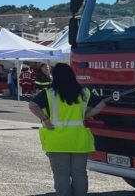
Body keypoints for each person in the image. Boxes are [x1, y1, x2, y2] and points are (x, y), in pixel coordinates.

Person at [29, 63, 106, 196]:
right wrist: (85, 115)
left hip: (57, 140)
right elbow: (101, 105)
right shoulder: (84, 92)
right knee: (80, 174)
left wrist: (45, 119)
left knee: (61, 175)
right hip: (79, 140)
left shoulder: (48, 94)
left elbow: (32, 105)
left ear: (56, 76)